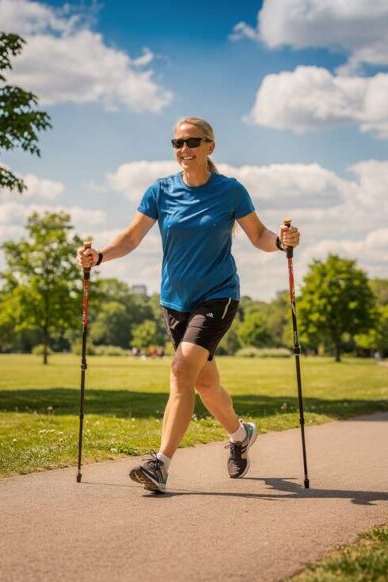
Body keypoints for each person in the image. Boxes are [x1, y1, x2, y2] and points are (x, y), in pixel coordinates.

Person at [76, 117, 301, 494]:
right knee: (204, 382)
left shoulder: (230, 191)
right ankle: (241, 434)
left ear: (210, 146)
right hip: (174, 302)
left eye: (192, 142)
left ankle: (159, 464)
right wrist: (98, 257)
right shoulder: (160, 191)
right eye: (177, 143)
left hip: (218, 294)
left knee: (181, 370)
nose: (184, 150)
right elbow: (131, 238)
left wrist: (281, 243)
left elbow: (259, 235)